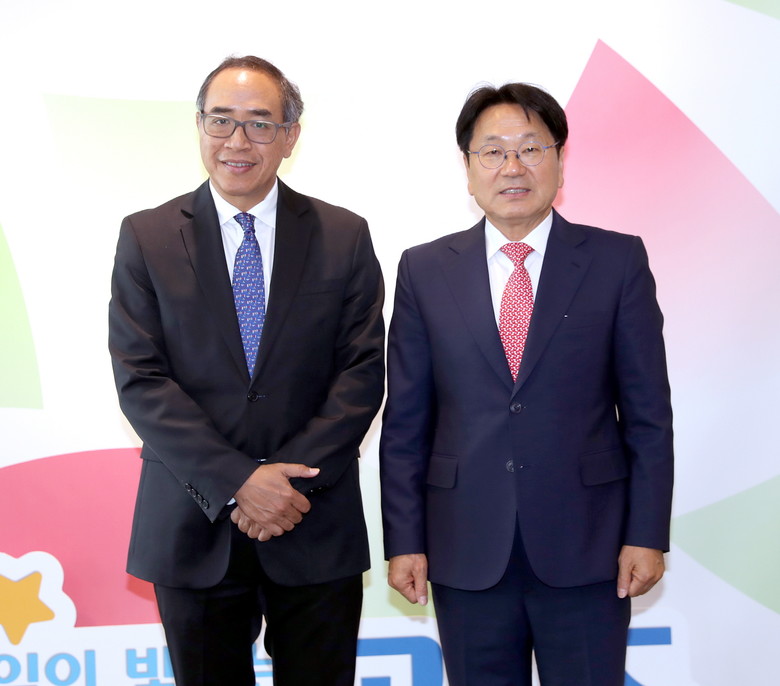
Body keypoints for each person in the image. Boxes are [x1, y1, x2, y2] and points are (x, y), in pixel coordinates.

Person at [379, 83, 673, 686]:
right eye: (493, 151)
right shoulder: (424, 270)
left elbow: (648, 417)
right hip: (465, 548)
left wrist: (646, 534)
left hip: (589, 547)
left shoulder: (617, 262)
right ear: (468, 169)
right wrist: (404, 541)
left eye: (531, 148)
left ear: (560, 161)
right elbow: (406, 423)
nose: (512, 167)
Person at [109, 55, 384, 686]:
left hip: (312, 518)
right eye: (221, 120)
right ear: (199, 126)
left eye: (260, 124)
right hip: (193, 519)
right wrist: (239, 480)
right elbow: (141, 379)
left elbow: (362, 371)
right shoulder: (147, 236)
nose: (237, 141)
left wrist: (284, 486)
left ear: (290, 136)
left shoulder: (343, 234)